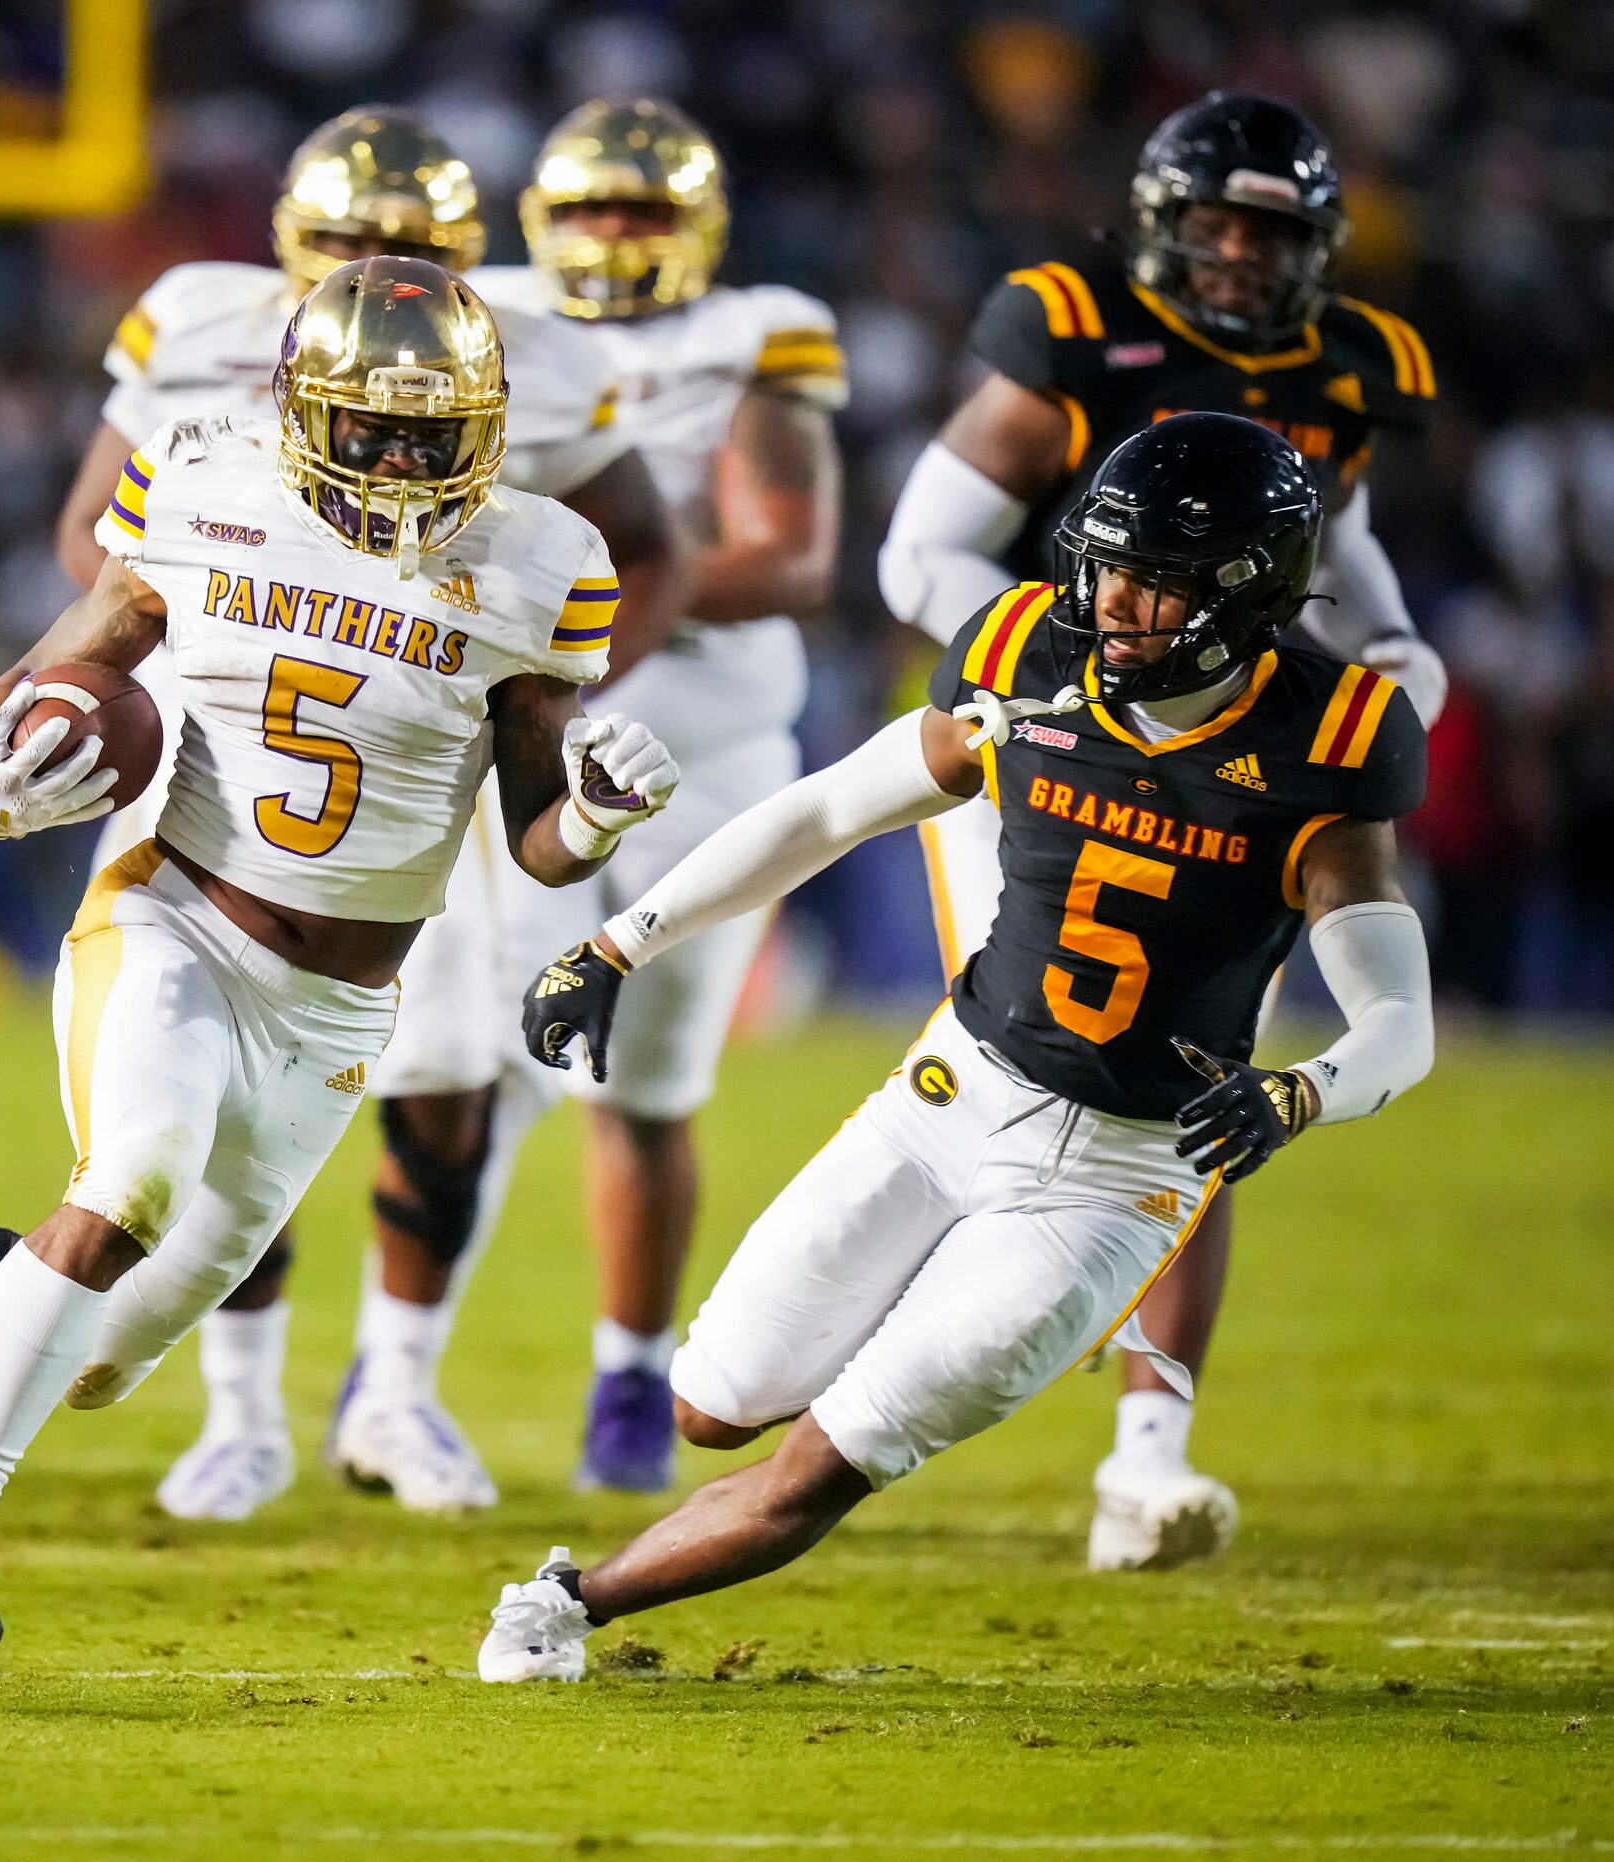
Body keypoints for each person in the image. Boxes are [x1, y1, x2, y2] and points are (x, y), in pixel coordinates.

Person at [482, 413, 1432, 1680]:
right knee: (711, 1405)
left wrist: (1301, 1093)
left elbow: (1399, 1020)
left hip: (1114, 1179)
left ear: (1245, 595)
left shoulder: (1329, 737)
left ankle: (566, 1607)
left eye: (1156, 579)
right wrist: (617, 945)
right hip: (948, 1093)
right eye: (1107, 563)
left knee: (828, 1458)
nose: (1115, 599)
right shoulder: (1030, 653)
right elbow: (826, 809)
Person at [0, 257, 679, 1667]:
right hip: (172, 909)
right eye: (374, 425)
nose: (407, 457)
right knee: (133, 1175)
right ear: (303, 408)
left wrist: (595, 816)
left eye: (437, 429)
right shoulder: (202, 482)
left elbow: (536, 834)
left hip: (340, 999)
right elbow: (77, 659)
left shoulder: (541, 556)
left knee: (108, 1357)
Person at [50, 104, 678, 1521]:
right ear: (288, 236)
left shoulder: (527, 351)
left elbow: (643, 551)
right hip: (229, 749)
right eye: (341, 238)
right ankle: (237, 1411)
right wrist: (125, 666)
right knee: (198, 1093)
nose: (372, 264)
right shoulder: (200, 327)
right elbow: (97, 533)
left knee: (451, 1086)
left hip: (413, 781)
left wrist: (522, 715)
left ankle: (394, 1389)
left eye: (405, 243)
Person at [878, 92, 1444, 1570]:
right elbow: (916, 549)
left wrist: (1392, 645)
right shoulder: (1068, 326)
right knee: (1031, 1051)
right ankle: (888, 1321)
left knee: (1190, 1069)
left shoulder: (1352, 366)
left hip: (1226, 754)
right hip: (1045, 744)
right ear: (1157, 222)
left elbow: (1350, 542)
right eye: (1214, 222)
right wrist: (1050, 681)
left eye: (1270, 229)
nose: (1241, 255)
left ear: (1316, 243)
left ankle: (1147, 1453)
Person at [445, 96, 844, 1494]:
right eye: (595, 210)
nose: (617, 237)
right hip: (514, 739)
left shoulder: (754, 334)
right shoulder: (474, 310)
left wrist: (579, 606)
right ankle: (397, 1370)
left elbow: (787, 556)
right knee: (471, 1061)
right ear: (540, 220)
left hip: (706, 755)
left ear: (702, 228)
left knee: (646, 1084)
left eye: (646, 212)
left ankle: (627, 1368)